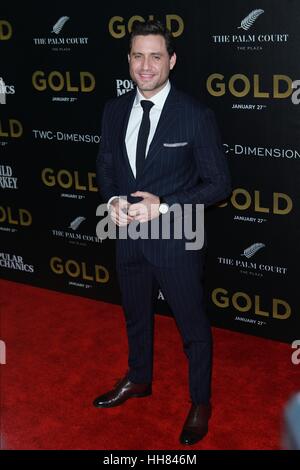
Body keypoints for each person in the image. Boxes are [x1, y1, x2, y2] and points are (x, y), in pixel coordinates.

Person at [94, 20, 231, 445]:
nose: (146, 65)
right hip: (128, 238)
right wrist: (113, 200)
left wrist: (166, 204)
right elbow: (106, 164)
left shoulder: (195, 116)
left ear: (171, 60)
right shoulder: (114, 109)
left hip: (178, 238)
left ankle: (200, 401)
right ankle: (139, 379)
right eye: (138, 55)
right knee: (136, 316)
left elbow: (219, 185)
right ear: (129, 60)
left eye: (156, 56)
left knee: (192, 329)